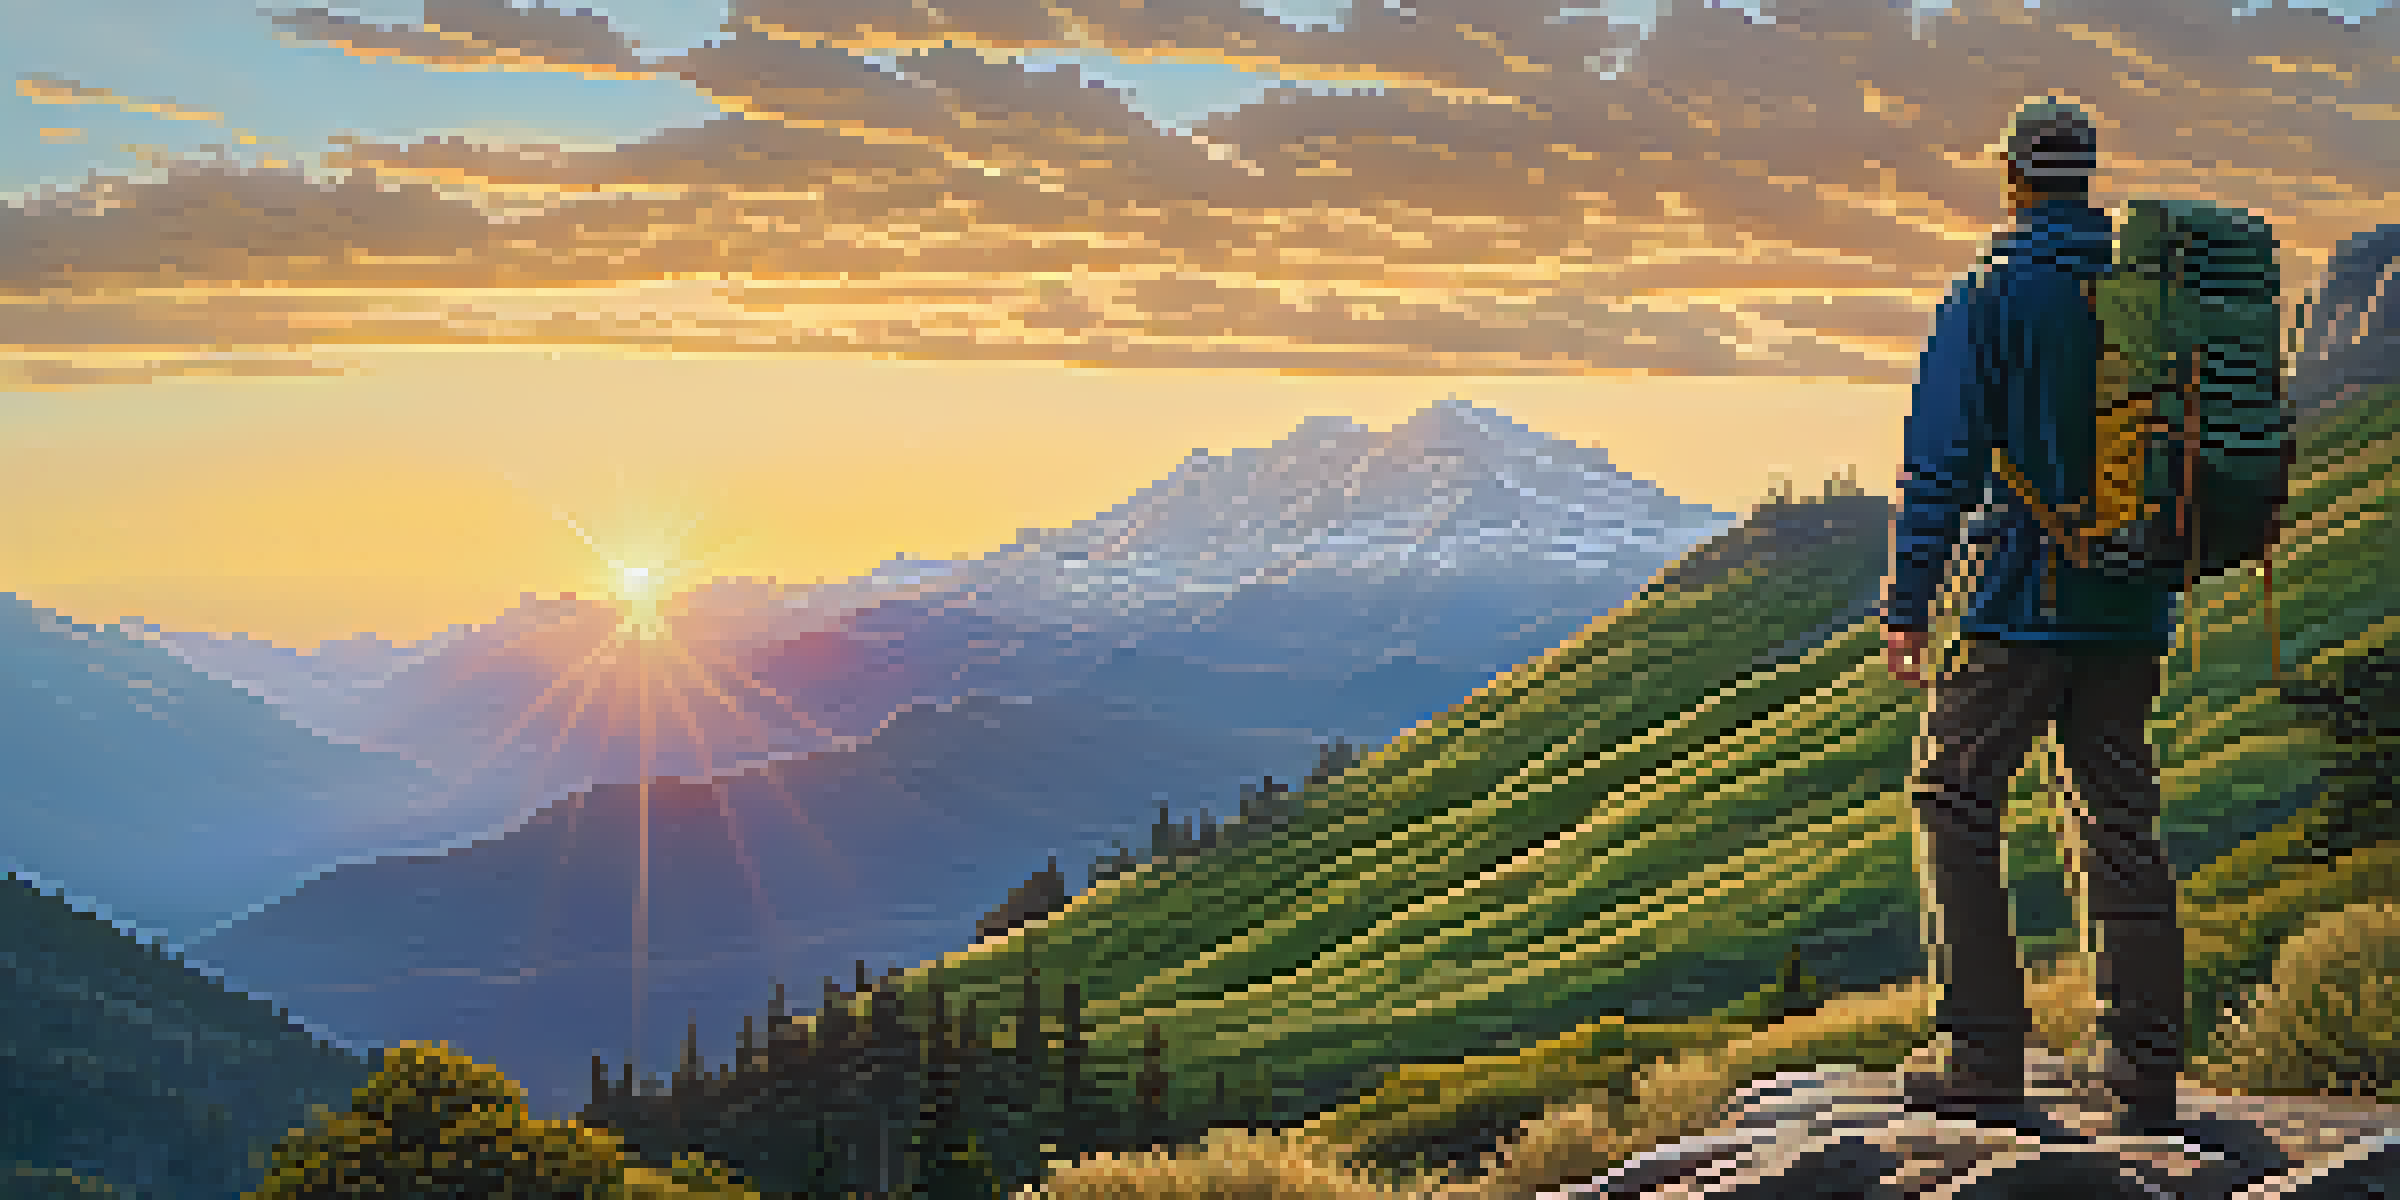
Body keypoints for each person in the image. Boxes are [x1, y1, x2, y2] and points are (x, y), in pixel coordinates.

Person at [1878, 97, 2187, 1137]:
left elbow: (1942, 465)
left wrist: (1908, 604)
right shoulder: (2149, 297)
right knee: (2119, 819)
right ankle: (2142, 1065)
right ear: (2088, 178)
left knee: (1952, 797)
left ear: (2013, 178)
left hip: (2025, 598)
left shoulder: (1991, 294)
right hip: (2135, 605)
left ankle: (1979, 1051)